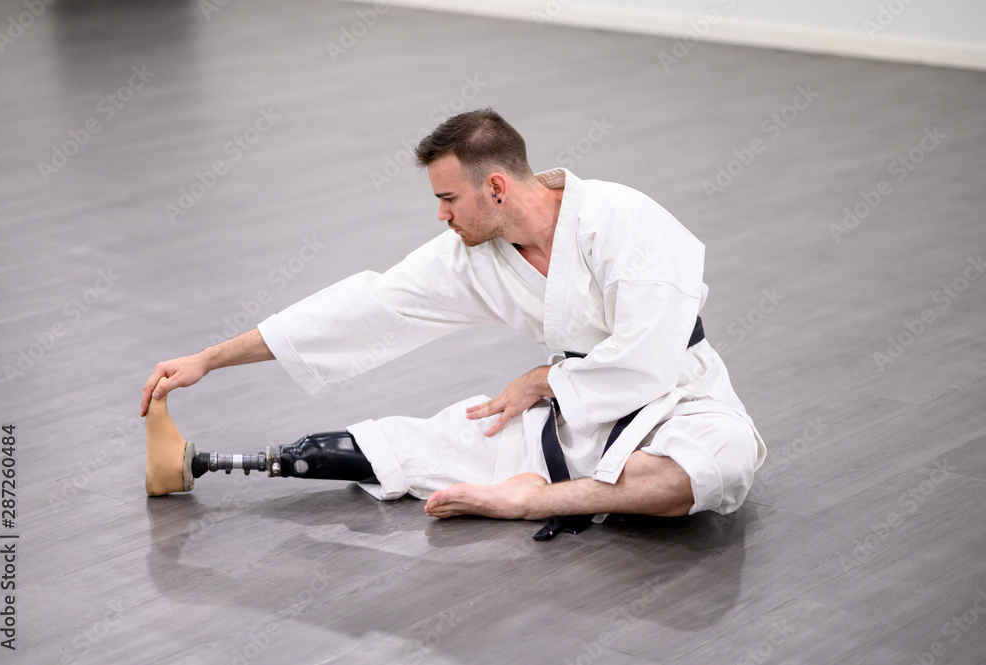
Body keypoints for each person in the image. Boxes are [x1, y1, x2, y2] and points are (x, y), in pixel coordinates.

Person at [140, 108, 765, 537]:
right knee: (418, 447)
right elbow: (364, 308)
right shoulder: (473, 254)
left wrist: (545, 380)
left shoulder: (625, 222)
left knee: (718, 462)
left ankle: (532, 500)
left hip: (681, 399)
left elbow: (649, 358)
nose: (441, 216)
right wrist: (209, 358)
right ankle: (221, 462)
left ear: (495, 186)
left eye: (447, 199)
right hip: (574, 414)